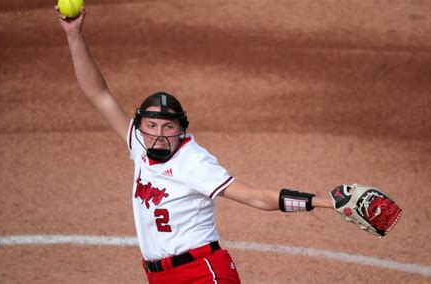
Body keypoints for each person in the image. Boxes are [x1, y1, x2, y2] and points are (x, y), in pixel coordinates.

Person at [56, 7, 336, 284]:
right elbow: (97, 93)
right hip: (159, 277)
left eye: (168, 127)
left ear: (181, 130)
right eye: (151, 127)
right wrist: (74, 35)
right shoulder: (139, 144)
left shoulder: (194, 162)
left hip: (203, 273)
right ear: (141, 127)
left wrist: (321, 201)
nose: (159, 135)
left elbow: (257, 197)